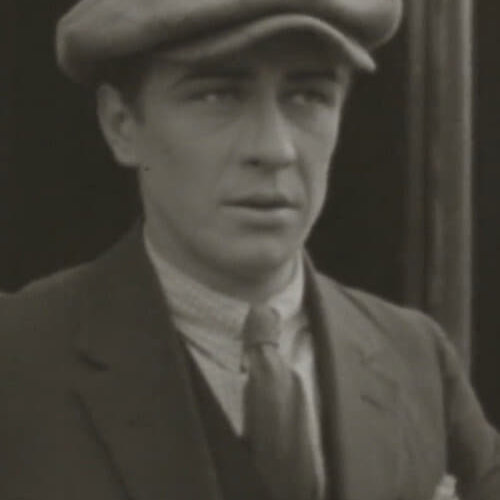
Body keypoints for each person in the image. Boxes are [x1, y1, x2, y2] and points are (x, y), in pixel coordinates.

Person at [1, 0, 499, 499]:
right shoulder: (18, 359)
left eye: (308, 96)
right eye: (217, 96)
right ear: (122, 124)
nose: (275, 149)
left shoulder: (416, 358)